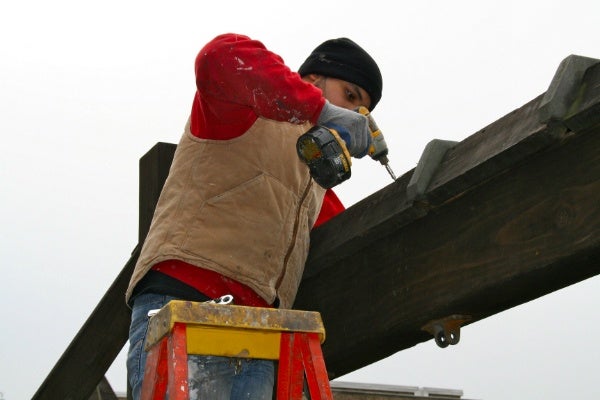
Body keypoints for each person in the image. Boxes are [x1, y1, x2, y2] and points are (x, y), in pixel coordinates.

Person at [126, 33, 383, 400]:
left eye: (363, 110)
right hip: (187, 304)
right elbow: (219, 56)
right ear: (313, 81)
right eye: (351, 96)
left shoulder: (314, 181)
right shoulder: (246, 110)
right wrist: (319, 110)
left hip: (261, 334)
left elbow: (353, 239)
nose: (355, 115)